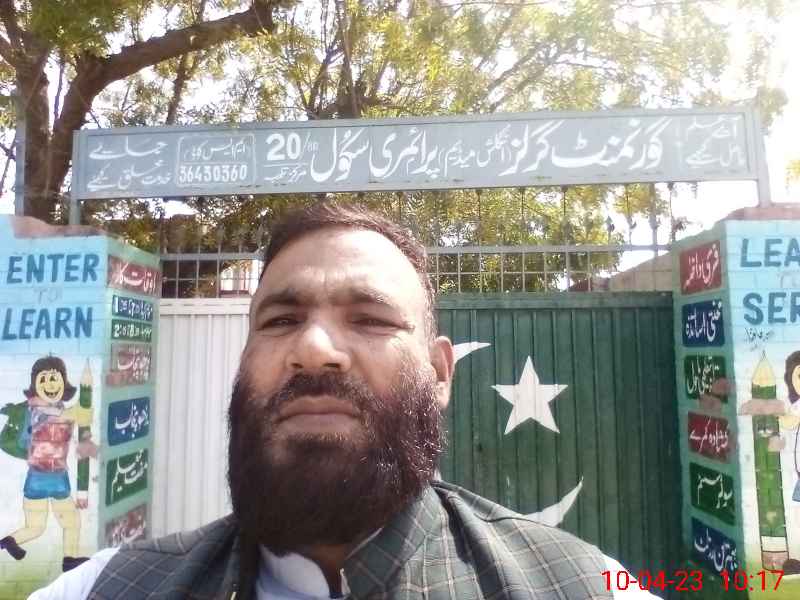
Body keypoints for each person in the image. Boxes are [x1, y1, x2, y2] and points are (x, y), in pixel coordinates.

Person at [31, 202, 654, 599]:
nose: (314, 349)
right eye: (280, 321)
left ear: (440, 374)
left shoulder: (582, 586)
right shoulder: (105, 588)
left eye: (370, 319)